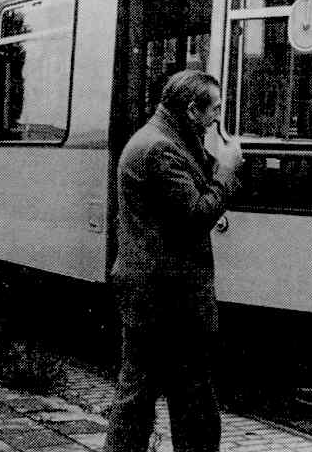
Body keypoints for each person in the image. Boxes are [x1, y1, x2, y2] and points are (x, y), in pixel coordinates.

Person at [105, 70, 243, 452]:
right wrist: (227, 171)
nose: (217, 118)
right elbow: (198, 212)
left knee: (138, 397)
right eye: (213, 109)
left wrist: (218, 177)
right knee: (192, 403)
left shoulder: (167, 138)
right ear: (191, 109)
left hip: (151, 290)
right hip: (169, 297)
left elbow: (192, 187)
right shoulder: (161, 149)